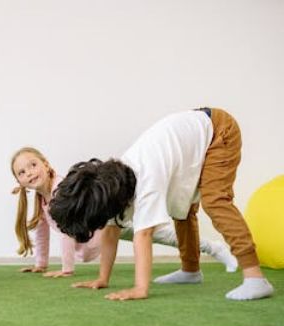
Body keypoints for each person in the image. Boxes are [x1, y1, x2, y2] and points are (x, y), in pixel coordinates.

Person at [49, 108, 274, 301]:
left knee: (215, 201)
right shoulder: (107, 187)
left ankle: (255, 278)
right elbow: (110, 231)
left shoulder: (145, 179)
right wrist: (102, 278)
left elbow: (143, 235)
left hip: (218, 131)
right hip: (193, 134)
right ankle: (190, 271)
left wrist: (140, 288)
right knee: (182, 209)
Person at [11, 147, 237, 278]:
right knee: (164, 236)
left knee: (164, 235)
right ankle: (210, 248)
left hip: (109, 221)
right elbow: (42, 233)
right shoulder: (40, 200)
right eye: (21, 172)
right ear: (19, 182)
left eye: (33, 165)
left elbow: (66, 234)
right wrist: (41, 264)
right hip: (102, 230)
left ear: (46, 164)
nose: (29, 173)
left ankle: (213, 247)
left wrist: (67, 270)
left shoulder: (62, 191)